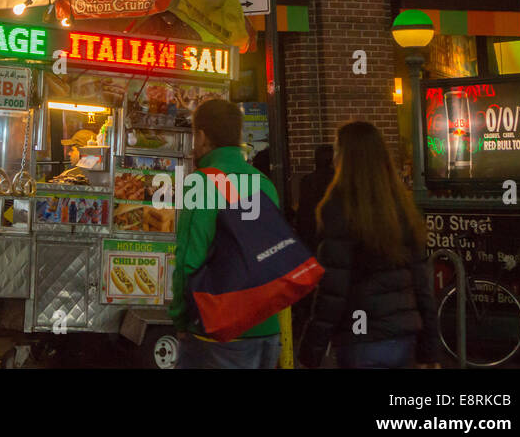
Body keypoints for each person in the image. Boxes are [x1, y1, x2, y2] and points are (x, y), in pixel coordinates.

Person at [299, 121, 440, 370]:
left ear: (345, 157)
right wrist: (429, 349)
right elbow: (422, 283)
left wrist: (311, 352)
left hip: (360, 336)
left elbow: (333, 290)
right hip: (403, 335)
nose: (333, 158)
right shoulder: (401, 207)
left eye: (336, 150)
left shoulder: (339, 207)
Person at [169, 99, 282, 368]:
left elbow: (189, 260)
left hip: (220, 329)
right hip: (267, 328)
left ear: (202, 136)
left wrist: (181, 318)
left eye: (194, 136)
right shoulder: (263, 183)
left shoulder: (202, 183)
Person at [295, 145, 335, 253]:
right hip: (331, 234)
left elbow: (303, 211)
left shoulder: (307, 180)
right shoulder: (337, 181)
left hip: (311, 234)